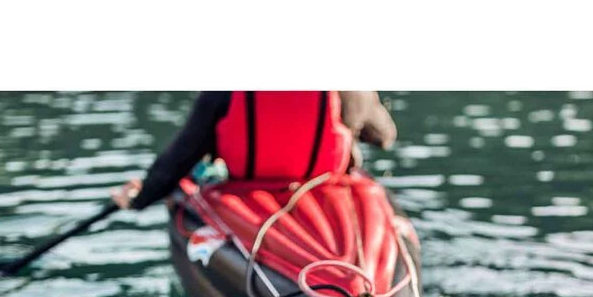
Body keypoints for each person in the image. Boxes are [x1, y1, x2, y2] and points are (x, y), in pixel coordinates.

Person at [111, 91, 397, 210]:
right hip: (326, 195)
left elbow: (178, 160)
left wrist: (139, 198)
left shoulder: (223, 92)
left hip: (244, 195)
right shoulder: (348, 88)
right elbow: (384, 137)